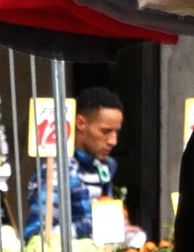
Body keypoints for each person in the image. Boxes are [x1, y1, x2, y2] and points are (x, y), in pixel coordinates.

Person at [23, 83, 124, 242]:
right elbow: (36, 236)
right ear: (81, 123)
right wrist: (95, 225)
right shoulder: (56, 172)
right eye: (105, 131)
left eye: (116, 132)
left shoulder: (106, 167)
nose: (113, 141)